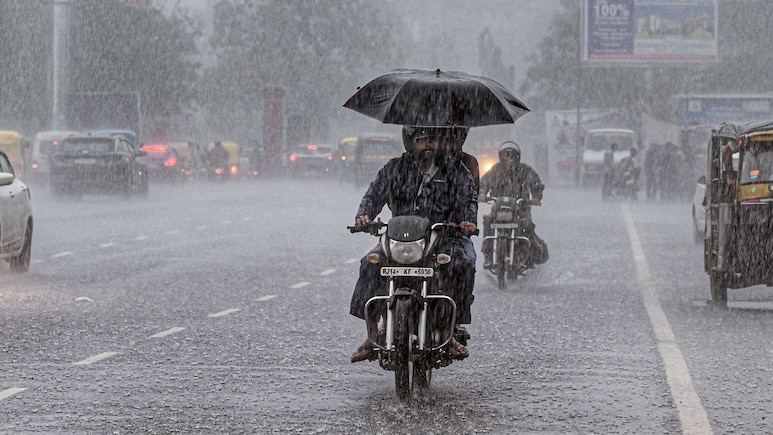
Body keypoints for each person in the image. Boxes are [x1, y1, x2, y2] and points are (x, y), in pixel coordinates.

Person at [350, 127, 478, 363]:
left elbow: (467, 198)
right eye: (422, 140)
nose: (428, 144)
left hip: (441, 240)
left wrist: (467, 220)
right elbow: (373, 193)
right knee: (369, 264)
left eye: (433, 139)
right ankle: (372, 334)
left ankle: (448, 333)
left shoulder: (455, 171)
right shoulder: (395, 168)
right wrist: (364, 215)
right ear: (411, 142)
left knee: (462, 264)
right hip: (398, 239)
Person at [478, 141, 548, 268]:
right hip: (499, 208)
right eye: (506, 154)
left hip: (521, 208)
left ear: (517, 156)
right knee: (488, 222)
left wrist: (536, 197)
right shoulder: (495, 170)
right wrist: (481, 194)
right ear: (500, 156)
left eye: (511, 154)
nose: (508, 158)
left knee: (527, 226)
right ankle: (488, 257)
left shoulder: (525, 170)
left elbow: (536, 183)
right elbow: (483, 183)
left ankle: (526, 256)